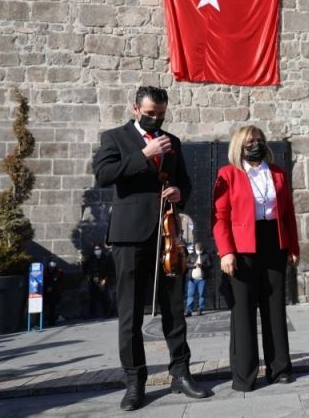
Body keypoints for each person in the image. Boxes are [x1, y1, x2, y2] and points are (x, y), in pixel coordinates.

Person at [92, 86, 209, 411]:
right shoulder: (114, 138)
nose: (156, 119)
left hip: (166, 235)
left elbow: (184, 182)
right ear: (135, 108)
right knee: (129, 312)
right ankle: (134, 382)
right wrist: (143, 154)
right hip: (130, 236)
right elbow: (103, 174)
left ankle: (181, 373)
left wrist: (177, 193)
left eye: (161, 114)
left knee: (174, 307)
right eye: (150, 113)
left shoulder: (172, 142)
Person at [213, 125, 300, 392]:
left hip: (273, 241)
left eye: (259, 140)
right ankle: (244, 375)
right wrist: (226, 251)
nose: (255, 145)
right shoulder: (229, 174)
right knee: (243, 310)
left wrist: (293, 247)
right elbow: (219, 217)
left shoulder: (278, 174)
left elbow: (287, 214)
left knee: (275, 307)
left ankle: (280, 368)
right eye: (250, 141)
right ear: (239, 145)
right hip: (242, 247)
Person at [82, 242, 114, 318]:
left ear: (101, 249)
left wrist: (105, 279)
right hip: (93, 280)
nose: (97, 250)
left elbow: (109, 270)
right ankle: (92, 314)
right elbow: (85, 267)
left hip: (102, 279)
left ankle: (107, 313)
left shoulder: (105, 258)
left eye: (98, 249)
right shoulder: (91, 258)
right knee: (92, 297)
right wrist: (87, 276)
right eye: (95, 249)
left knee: (104, 297)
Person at [185, 242, 213, 317]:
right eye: (197, 249)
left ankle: (200, 309)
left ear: (202, 249)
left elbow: (210, 266)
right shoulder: (191, 255)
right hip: (192, 279)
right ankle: (189, 310)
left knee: (202, 295)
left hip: (202, 279)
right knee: (190, 295)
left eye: (200, 249)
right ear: (195, 249)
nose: (198, 250)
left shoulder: (206, 256)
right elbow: (186, 264)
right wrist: (193, 265)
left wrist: (202, 266)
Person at [44, 258, 64, 326]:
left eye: (54, 262)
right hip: (47, 291)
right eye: (51, 262)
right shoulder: (46, 271)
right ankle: (47, 320)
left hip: (55, 292)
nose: (52, 263)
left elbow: (59, 281)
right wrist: (47, 288)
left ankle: (52, 321)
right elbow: (45, 280)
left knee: (53, 307)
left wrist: (52, 287)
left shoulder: (59, 271)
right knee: (47, 306)